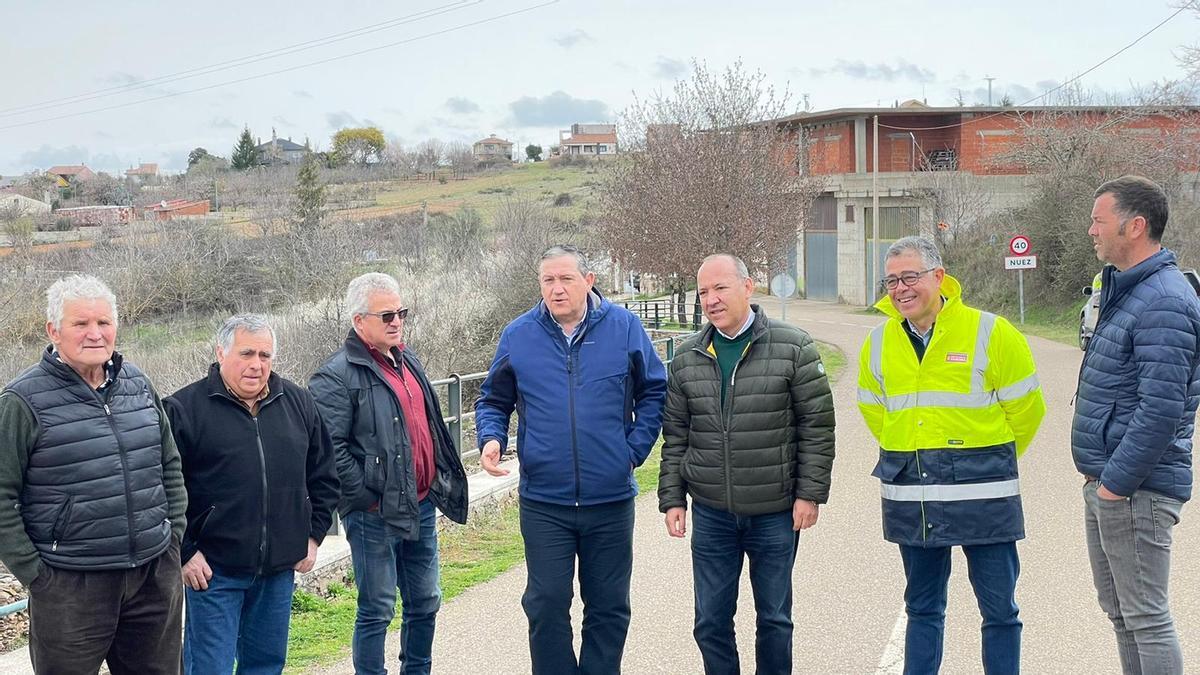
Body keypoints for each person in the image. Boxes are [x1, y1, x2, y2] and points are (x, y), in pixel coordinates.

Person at [857, 236, 1045, 675]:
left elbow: (1028, 410)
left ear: (938, 277)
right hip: (914, 496)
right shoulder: (878, 343)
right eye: (891, 280)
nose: (900, 288)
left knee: (999, 610)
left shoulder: (991, 332)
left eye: (909, 277)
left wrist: (983, 459)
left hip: (985, 495)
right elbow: (875, 412)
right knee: (922, 607)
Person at [476, 244, 667, 674]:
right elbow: (493, 398)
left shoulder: (624, 328)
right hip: (545, 501)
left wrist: (632, 451)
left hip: (610, 498)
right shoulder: (519, 335)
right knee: (544, 605)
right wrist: (491, 437)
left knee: (608, 606)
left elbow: (654, 390)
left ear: (588, 281)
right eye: (548, 280)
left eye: (566, 279)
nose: (557, 289)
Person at [657, 254, 836, 675]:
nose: (712, 299)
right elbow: (676, 435)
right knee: (710, 622)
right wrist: (672, 498)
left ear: (747, 287)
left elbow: (818, 426)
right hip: (713, 514)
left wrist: (809, 494)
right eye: (703, 292)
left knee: (774, 620)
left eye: (720, 288)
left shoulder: (794, 345)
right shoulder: (687, 356)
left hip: (775, 513)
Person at [0, 274, 187, 674]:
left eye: (104, 323)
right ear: (54, 330)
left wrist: (172, 539)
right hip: (71, 584)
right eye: (80, 324)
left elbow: (169, 464)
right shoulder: (22, 401)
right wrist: (37, 576)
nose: (94, 334)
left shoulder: (138, 385)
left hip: (153, 575)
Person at [310, 272, 468, 675]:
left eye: (400, 312)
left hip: (420, 504)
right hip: (374, 514)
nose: (396, 321)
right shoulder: (335, 376)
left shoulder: (407, 359)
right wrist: (368, 497)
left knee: (426, 601)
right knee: (378, 608)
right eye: (386, 315)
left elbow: (428, 425)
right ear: (359, 321)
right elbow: (330, 450)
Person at [1073, 175, 1200, 675]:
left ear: (1136, 225)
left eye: (1099, 221)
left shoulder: (1163, 299)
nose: (1091, 231)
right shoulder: (1126, 290)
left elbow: (1162, 408)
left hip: (1134, 490)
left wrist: (1114, 486)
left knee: (1145, 618)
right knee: (1123, 614)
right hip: (1112, 485)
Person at [165, 314, 339, 674]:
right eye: (246, 354)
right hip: (213, 571)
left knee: (265, 667)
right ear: (221, 352)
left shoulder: (299, 403)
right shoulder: (183, 410)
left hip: (277, 570)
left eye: (264, 355)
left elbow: (324, 475)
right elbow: (163, 491)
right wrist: (184, 552)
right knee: (208, 668)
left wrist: (312, 535)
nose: (256, 365)